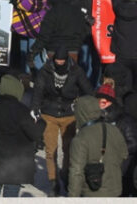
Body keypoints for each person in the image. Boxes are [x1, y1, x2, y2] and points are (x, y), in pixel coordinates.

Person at [31, 45, 94, 195]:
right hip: (49, 114)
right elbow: (38, 91)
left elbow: (88, 89)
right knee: (50, 150)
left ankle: (65, 175)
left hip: (69, 114)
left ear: (66, 60)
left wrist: (91, 107)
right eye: (57, 61)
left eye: (62, 61)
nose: (59, 63)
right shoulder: (45, 71)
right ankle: (53, 182)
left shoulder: (76, 71)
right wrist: (34, 108)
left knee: (69, 149)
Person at [0, 73, 44, 197]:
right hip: (14, 164)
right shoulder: (21, 110)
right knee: (10, 194)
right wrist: (41, 121)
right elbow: (35, 133)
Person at [68, 95, 129, 197]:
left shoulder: (80, 139)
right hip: (115, 190)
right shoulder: (114, 129)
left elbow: (76, 173)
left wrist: (72, 197)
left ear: (80, 113)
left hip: (92, 193)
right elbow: (124, 155)